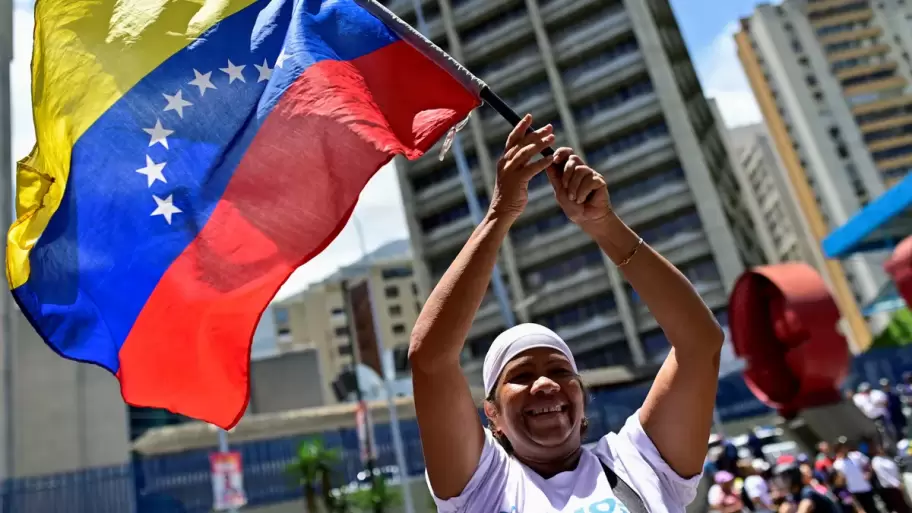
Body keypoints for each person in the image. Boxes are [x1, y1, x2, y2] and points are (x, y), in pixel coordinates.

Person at [408, 115, 725, 512]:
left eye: (560, 371)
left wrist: (604, 225)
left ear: (580, 393)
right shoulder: (482, 487)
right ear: (493, 415)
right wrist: (500, 213)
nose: (545, 385)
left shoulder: (639, 462)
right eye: (521, 376)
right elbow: (430, 359)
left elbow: (700, 344)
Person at [833, 440, 878, 513]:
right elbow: (839, 482)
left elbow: (868, 464)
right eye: (841, 447)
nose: (844, 449)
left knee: (873, 509)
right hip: (853, 492)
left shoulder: (856, 455)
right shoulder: (837, 464)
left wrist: (868, 473)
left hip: (865, 488)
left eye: (844, 446)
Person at [870, 443, 910, 513]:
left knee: (904, 504)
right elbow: (884, 475)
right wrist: (896, 484)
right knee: (899, 506)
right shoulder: (876, 461)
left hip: (899, 484)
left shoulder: (887, 457)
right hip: (890, 487)